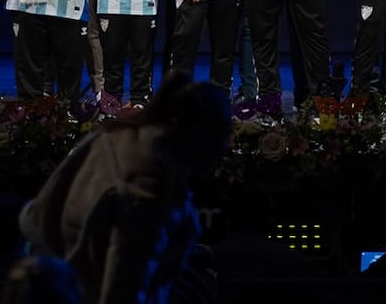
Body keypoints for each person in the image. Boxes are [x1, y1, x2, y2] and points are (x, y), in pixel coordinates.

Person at [18, 73, 233, 304]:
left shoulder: (119, 134)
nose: (221, 152)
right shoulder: (145, 193)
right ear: (188, 130)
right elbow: (121, 293)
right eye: (216, 139)